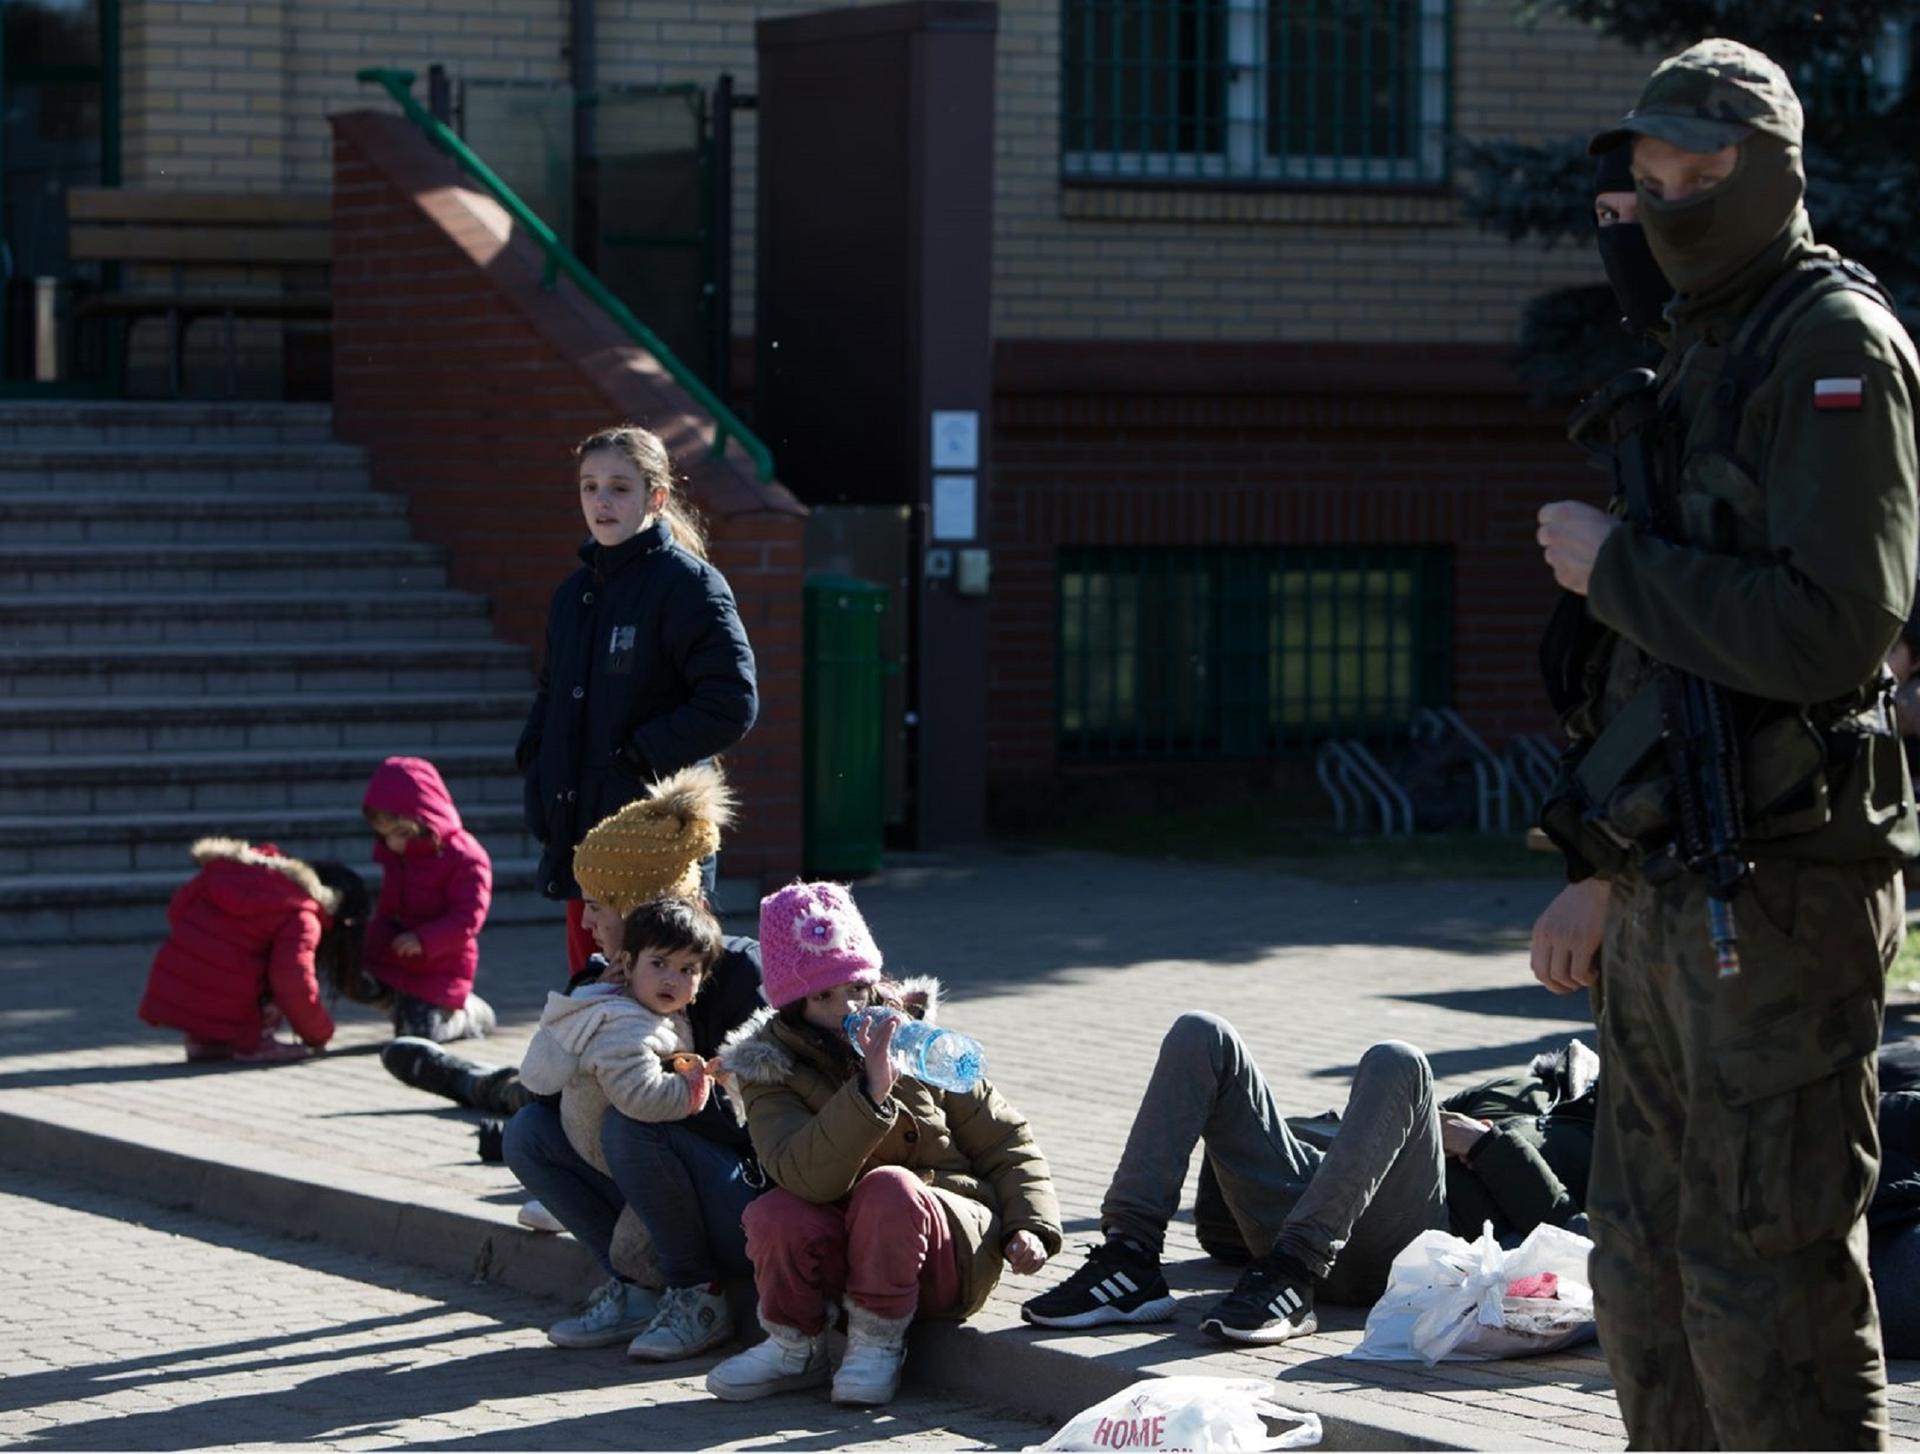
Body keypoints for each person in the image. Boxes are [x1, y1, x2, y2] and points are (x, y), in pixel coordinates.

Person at [1530, 39, 1919, 1448]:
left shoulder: (1832, 345)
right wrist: (1590, 855)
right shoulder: (1695, 336)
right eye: (1648, 180)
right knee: (1641, 1262)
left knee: (1770, 1279)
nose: (1671, 207)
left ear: (1775, 176)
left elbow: (1832, 628)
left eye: (1704, 180)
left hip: (1790, 879)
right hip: (1666, 875)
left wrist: (1618, 564)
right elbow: (1652, 669)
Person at [1019, 1016, 1596, 1342]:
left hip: (1415, 1245)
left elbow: (1581, 1233)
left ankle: (1293, 1277)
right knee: (1202, 1034)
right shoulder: (1529, 1088)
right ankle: (1130, 1255)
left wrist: (1487, 1145)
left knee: (1400, 1059)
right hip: (1324, 1201)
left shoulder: (1628, 1145)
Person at [705, 882, 1062, 1408]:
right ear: (793, 1008)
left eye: (855, 988)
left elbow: (1006, 1138)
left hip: (945, 1249)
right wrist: (870, 1093)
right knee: (775, 1212)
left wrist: (1031, 1224)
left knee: (889, 1185)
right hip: (846, 1251)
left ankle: (877, 1343)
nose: (847, 1007)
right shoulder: (770, 1069)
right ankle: (793, 1346)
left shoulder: (917, 1043)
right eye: (823, 997)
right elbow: (800, 1174)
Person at [497, 765, 769, 1353]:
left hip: (744, 1197)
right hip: (658, 1184)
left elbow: (761, 1121)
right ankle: (637, 1288)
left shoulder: (742, 973)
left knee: (631, 1120)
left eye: (597, 905)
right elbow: (544, 1096)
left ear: (645, 907)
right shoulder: (603, 977)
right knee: (526, 1134)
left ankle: (698, 1295)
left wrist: (671, 1074)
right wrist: (600, 1010)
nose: (586, 920)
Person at [517, 424, 759, 976]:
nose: (601, 501)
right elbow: (552, 695)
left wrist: (637, 757)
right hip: (585, 841)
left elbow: (732, 702)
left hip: (655, 842)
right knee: (593, 1001)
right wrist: (537, 762)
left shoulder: (690, 586)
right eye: (589, 486)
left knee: (662, 1001)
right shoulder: (572, 595)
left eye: (619, 488)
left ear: (657, 497)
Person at [138, 838, 367, 1062]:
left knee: (231, 960)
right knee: (271, 973)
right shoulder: (301, 914)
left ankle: (206, 1040)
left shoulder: (224, 874)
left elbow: (177, 910)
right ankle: (254, 1044)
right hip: (230, 995)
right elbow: (292, 981)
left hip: (177, 985)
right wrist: (318, 1034)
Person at [351, 756, 494, 1043]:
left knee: (419, 1037)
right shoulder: (399, 855)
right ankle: (403, 1007)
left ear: (427, 819)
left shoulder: (464, 857)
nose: (393, 843)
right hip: (399, 958)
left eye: (401, 833)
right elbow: (389, 910)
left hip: (441, 965)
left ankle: (467, 1014)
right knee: (351, 974)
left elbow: (467, 918)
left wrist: (424, 939)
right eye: (385, 835)